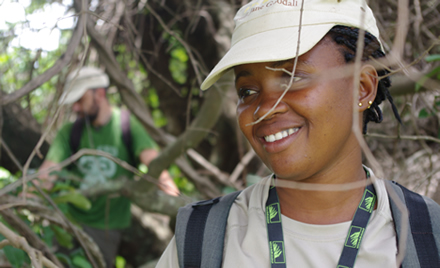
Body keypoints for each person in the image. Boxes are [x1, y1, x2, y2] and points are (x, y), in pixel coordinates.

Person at [156, 0, 440, 267]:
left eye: (293, 78)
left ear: (362, 88)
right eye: (248, 91)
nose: (266, 109)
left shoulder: (426, 238)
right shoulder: (201, 240)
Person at [38, 66, 179, 268]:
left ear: (100, 93)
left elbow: (155, 166)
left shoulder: (126, 125)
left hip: (106, 229)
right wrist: (25, 200)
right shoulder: (71, 131)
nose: (75, 108)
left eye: (80, 100)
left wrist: (179, 206)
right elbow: (48, 172)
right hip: (69, 222)